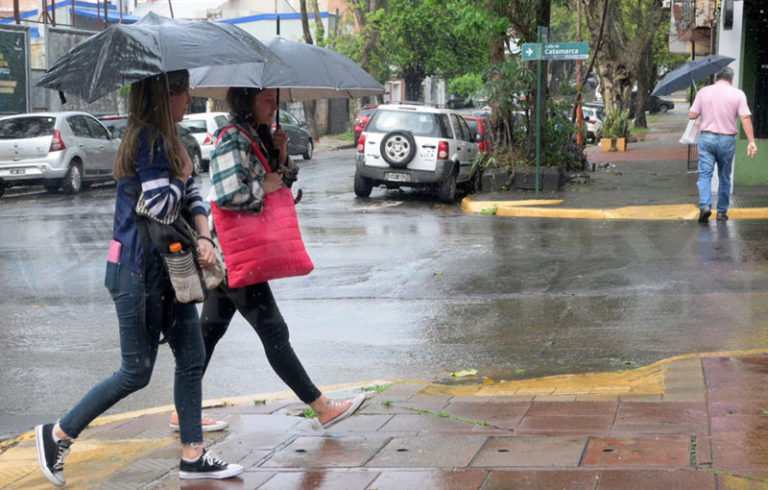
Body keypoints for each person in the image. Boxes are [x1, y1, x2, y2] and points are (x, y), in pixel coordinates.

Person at [34, 70, 243, 486]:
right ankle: (57, 434)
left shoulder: (172, 140)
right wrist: (181, 175)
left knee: (192, 356)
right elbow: (161, 206)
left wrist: (203, 234)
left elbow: (193, 197)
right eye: (184, 93)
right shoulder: (148, 140)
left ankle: (193, 455)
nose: (190, 100)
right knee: (136, 370)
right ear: (166, 96)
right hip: (137, 273)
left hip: (167, 271)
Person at [167, 86, 364, 432]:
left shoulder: (255, 135)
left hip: (233, 253)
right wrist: (264, 188)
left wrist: (282, 152)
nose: (274, 107)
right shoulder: (232, 138)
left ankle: (183, 410)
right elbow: (228, 194)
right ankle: (321, 407)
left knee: (209, 332)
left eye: (275, 100)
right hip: (233, 252)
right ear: (247, 100)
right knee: (273, 330)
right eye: (267, 101)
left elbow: (281, 180)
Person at [689, 66, 758, 223]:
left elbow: (692, 115)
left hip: (707, 138)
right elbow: (745, 117)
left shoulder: (703, 92)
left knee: (705, 174)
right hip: (727, 140)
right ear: (731, 79)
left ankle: (705, 206)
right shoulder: (738, 94)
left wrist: (703, 109)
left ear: (716, 78)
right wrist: (751, 141)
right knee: (724, 177)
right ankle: (721, 212)